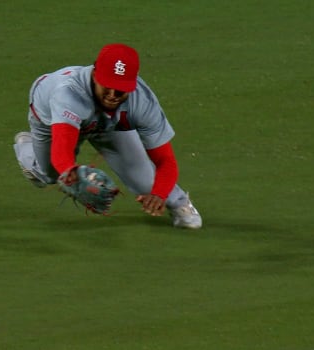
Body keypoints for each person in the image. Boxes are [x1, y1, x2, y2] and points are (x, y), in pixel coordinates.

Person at [13, 43, 202, 229]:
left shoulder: (142, 101)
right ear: (95, 75)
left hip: (108, 125)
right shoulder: (68, 94)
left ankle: (179, 203)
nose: (112, 95)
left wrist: (159, 194)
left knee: (147, 182)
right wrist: (74, 176)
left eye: (120, 89)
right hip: (49, 118)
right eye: (108, 85)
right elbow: (62, 152)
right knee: (51, 175)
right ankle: (26, 147)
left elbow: (165, 161)